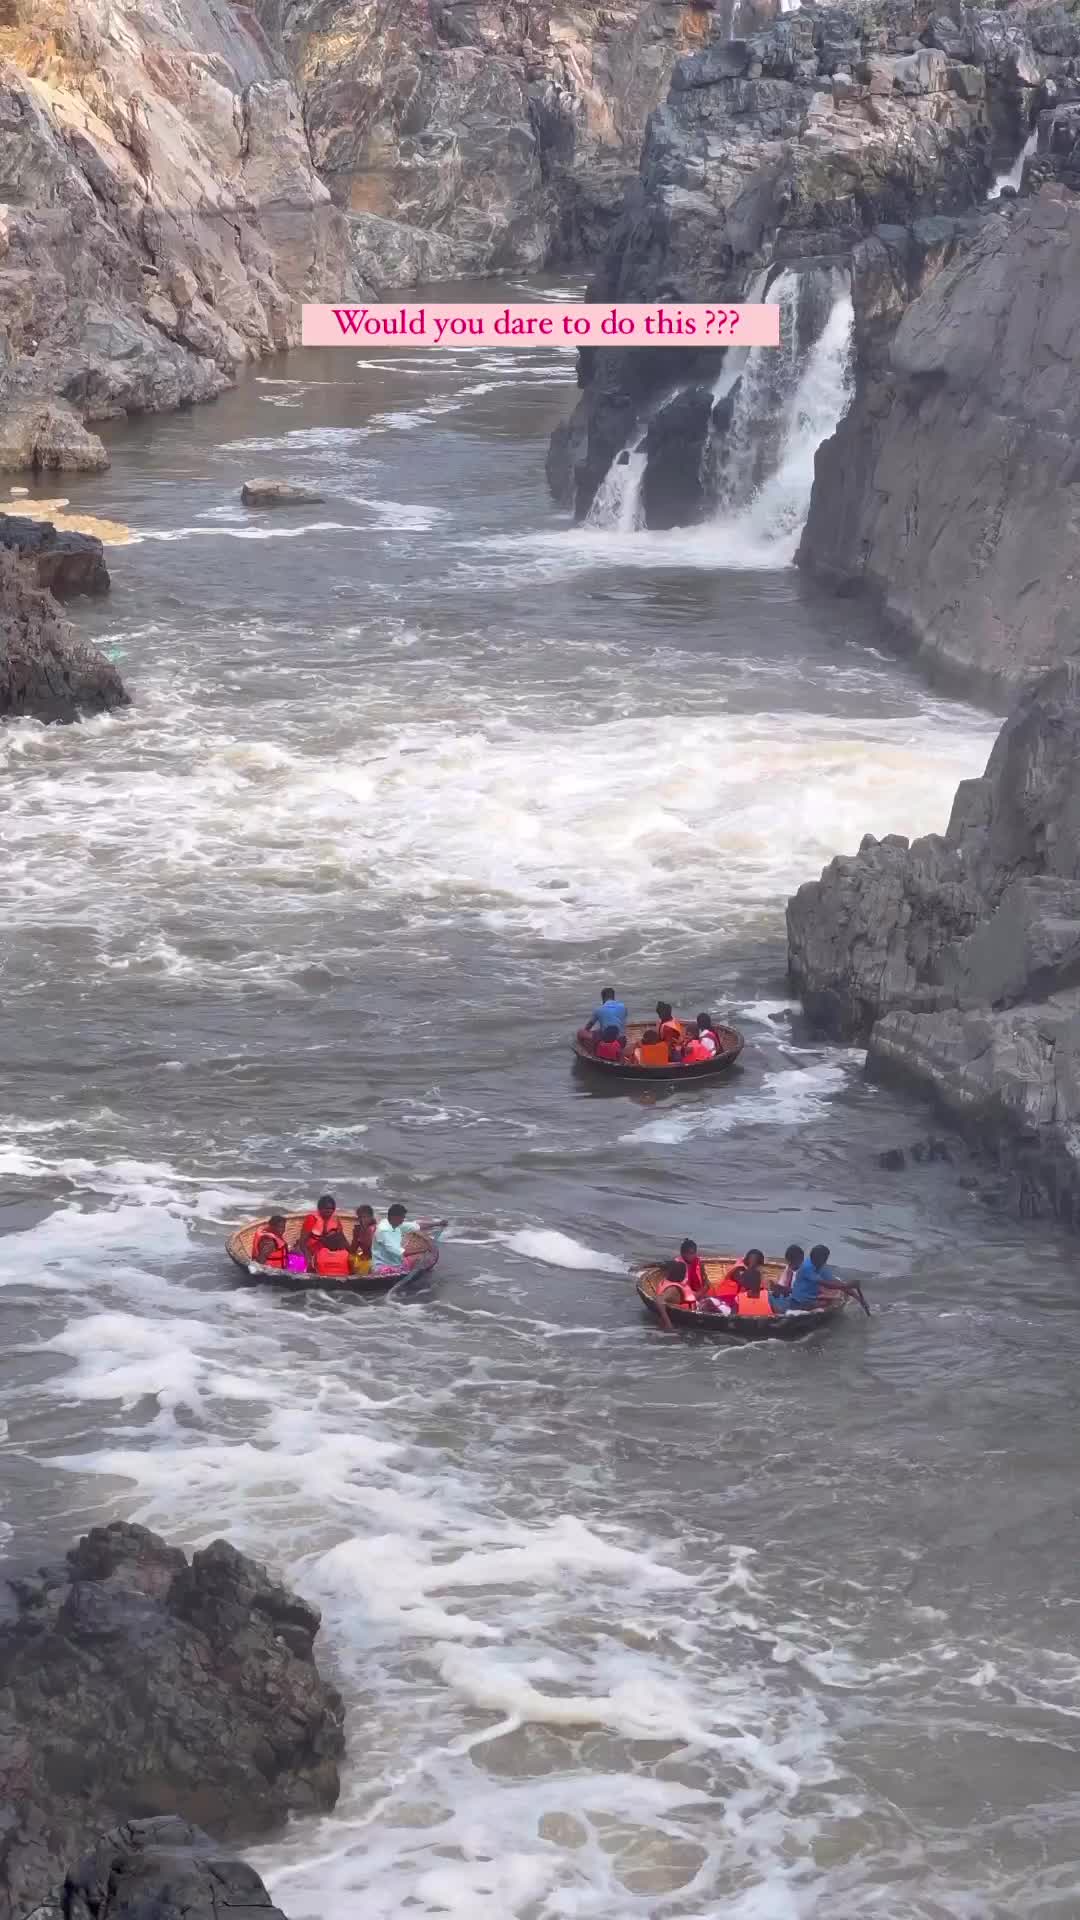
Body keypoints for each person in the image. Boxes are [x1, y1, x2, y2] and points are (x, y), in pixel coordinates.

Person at [371, 1202, 447, 1271]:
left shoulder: (396, 1224)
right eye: (402, 1218)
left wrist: (438, 1223)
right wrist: (424, 1249)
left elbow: (417, 1225)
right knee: (419, 1258)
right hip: (382, 1267)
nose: (403, 1220)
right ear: (395, 1217)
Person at [786, 1243, 842, 1310]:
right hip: (800, 1300)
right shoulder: (806, 1268)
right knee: (827, 1301)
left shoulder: (809, 1267)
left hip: (800, 1296)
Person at [653, 1259, 697, 1331]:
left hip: (690, 1311)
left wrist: (705, 1289)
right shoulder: (673, 1288)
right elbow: (658, 1300)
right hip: (686, 1320)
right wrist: (668, 1323)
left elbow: (691, 1296)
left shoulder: (672, 1284)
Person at [299, 1193, 342, 1266]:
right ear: (320, 1209)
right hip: (311, 1251)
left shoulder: (336, 1220)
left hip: (328, 1253)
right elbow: (302, 1242)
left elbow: (341, 1240)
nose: (329, 1211)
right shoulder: (312, 1219)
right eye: (326, 1208)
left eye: (331, 1209)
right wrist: (307, 1256)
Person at [349, 1204, 377, 1271]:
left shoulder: (374, 1229)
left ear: (371, 1217)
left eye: (365, 1217)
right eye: (360, 1217)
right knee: (350, 1259)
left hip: (376, 1259)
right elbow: (353, 1250)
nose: (362, 1220)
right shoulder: (359, 1229)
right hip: (365, 1257)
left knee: (363, 1268)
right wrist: (356, 1237)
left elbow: (374, 1250)